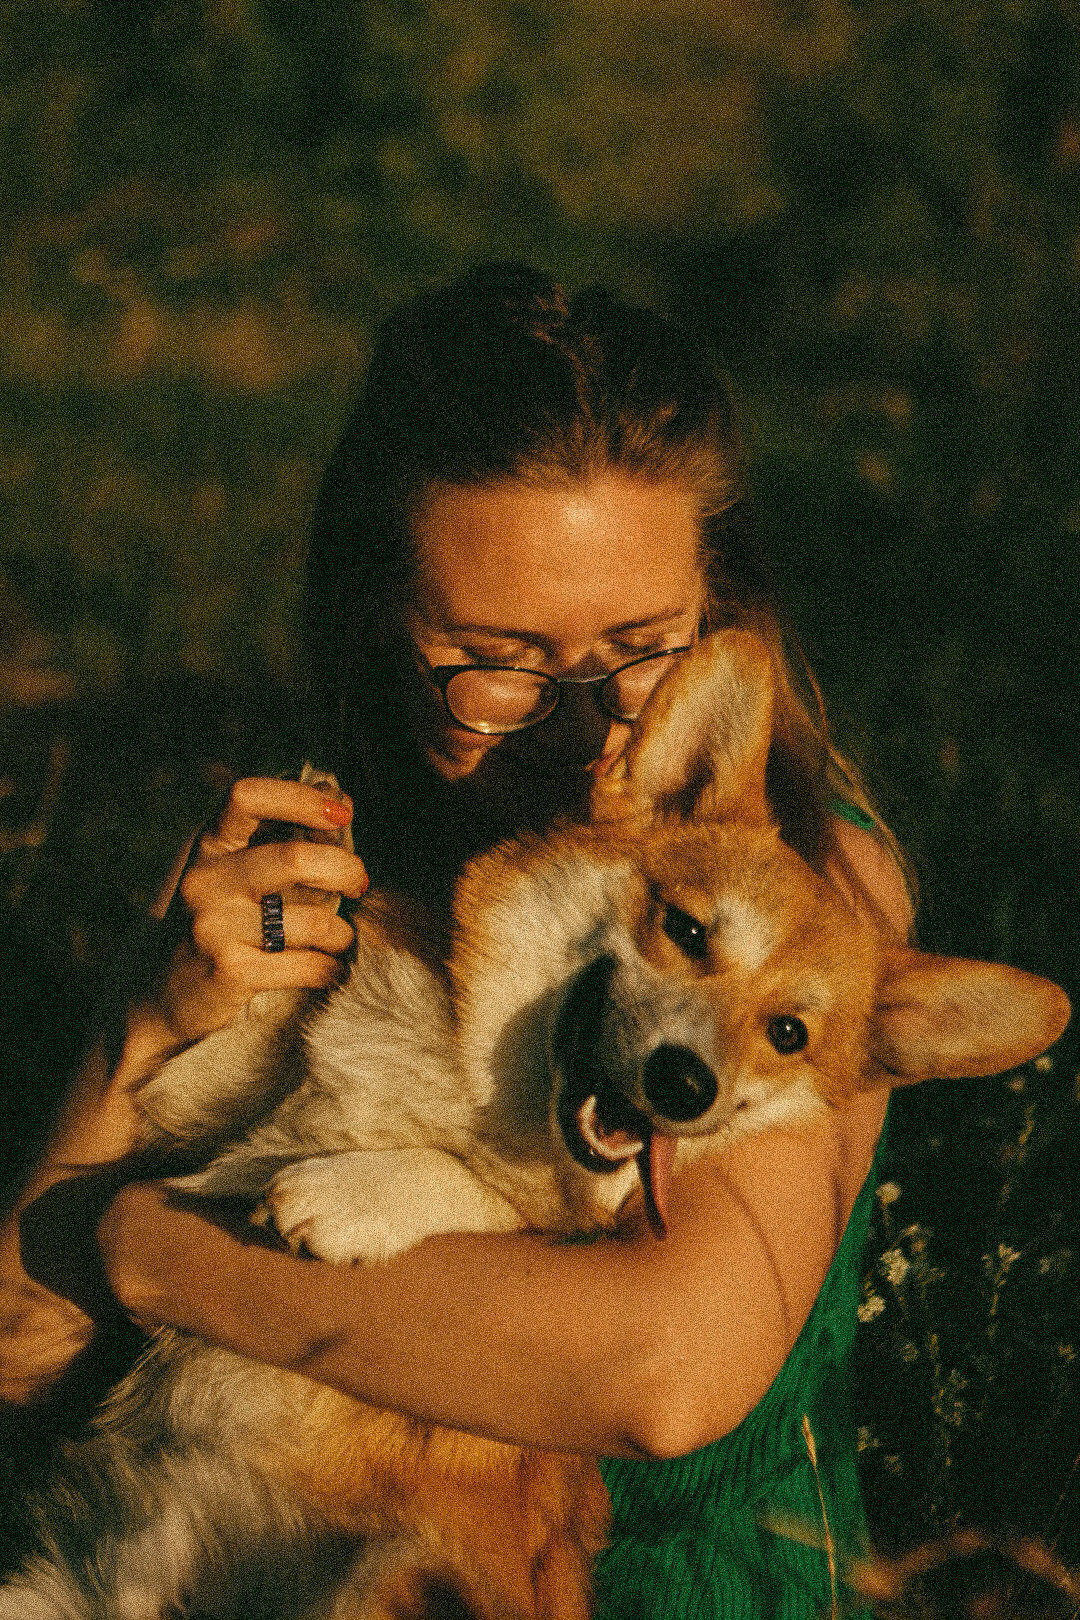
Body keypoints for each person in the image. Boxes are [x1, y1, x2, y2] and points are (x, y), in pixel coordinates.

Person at [0, 263, 913, 1616]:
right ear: (380, 616)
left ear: (720, 614)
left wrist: (159, 1249)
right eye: (500, 656)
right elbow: (18, 1365)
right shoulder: (307, 867)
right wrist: (145, 1023)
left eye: (644, 645)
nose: (587, 726)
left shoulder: (798, 902)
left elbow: (661, 1373)